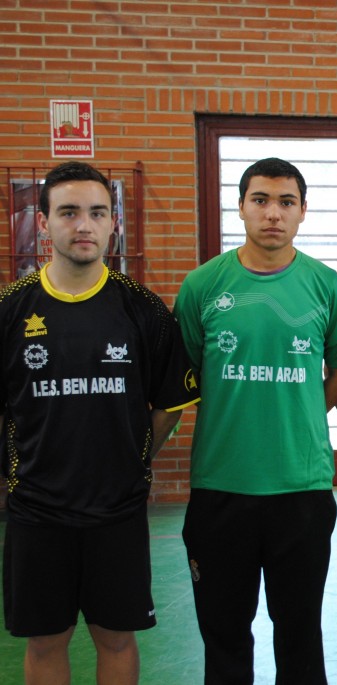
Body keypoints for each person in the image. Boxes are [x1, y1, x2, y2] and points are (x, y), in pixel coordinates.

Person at [0, 161, 200, 684]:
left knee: (116, 637)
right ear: (43, 222)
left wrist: (131, 456)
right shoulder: (10, 310)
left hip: (118, 510)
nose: (83, 225)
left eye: (96, 212)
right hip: (37, 511)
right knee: (45, 640)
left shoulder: (143, 310)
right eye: (68, 212)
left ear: (113, 221)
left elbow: (168, 405)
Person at [174, 157, 337, 684]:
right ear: (240, 207)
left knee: (299, 632)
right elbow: (184, 378)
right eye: (260, 200)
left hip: (300, 488)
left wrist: (301, 411)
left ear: (303, 211)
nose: (273, 213)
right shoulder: (202, 286)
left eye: (286, 202)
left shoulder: (326, 286)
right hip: (220, 486)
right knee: (224, 634)